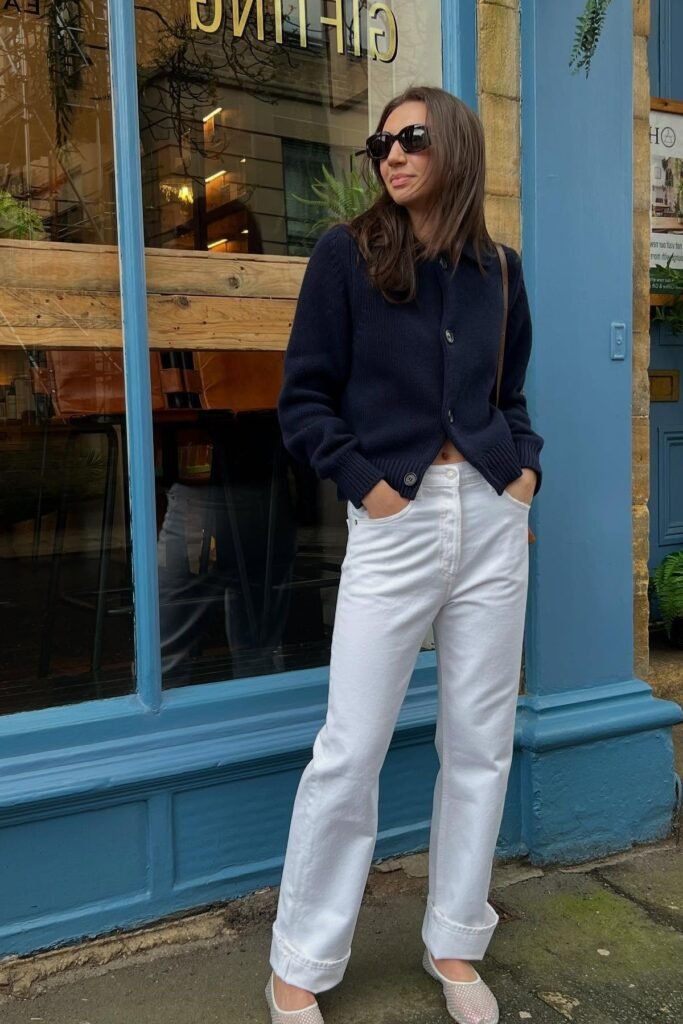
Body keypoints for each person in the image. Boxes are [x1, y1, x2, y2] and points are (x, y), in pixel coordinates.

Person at [265, 85, 543, 1024]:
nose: (390, 153)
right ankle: (299, 958)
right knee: (350, 749)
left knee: (480, 742)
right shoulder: (346, 257)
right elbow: (302, 401)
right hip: (395, 519)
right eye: (380, 141)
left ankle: (456, 941)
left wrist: (521, 476)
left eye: (410, 138)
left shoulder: (497, 271)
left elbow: (509, 397)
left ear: (453, 148)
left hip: (492, 516)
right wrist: (367, 485)